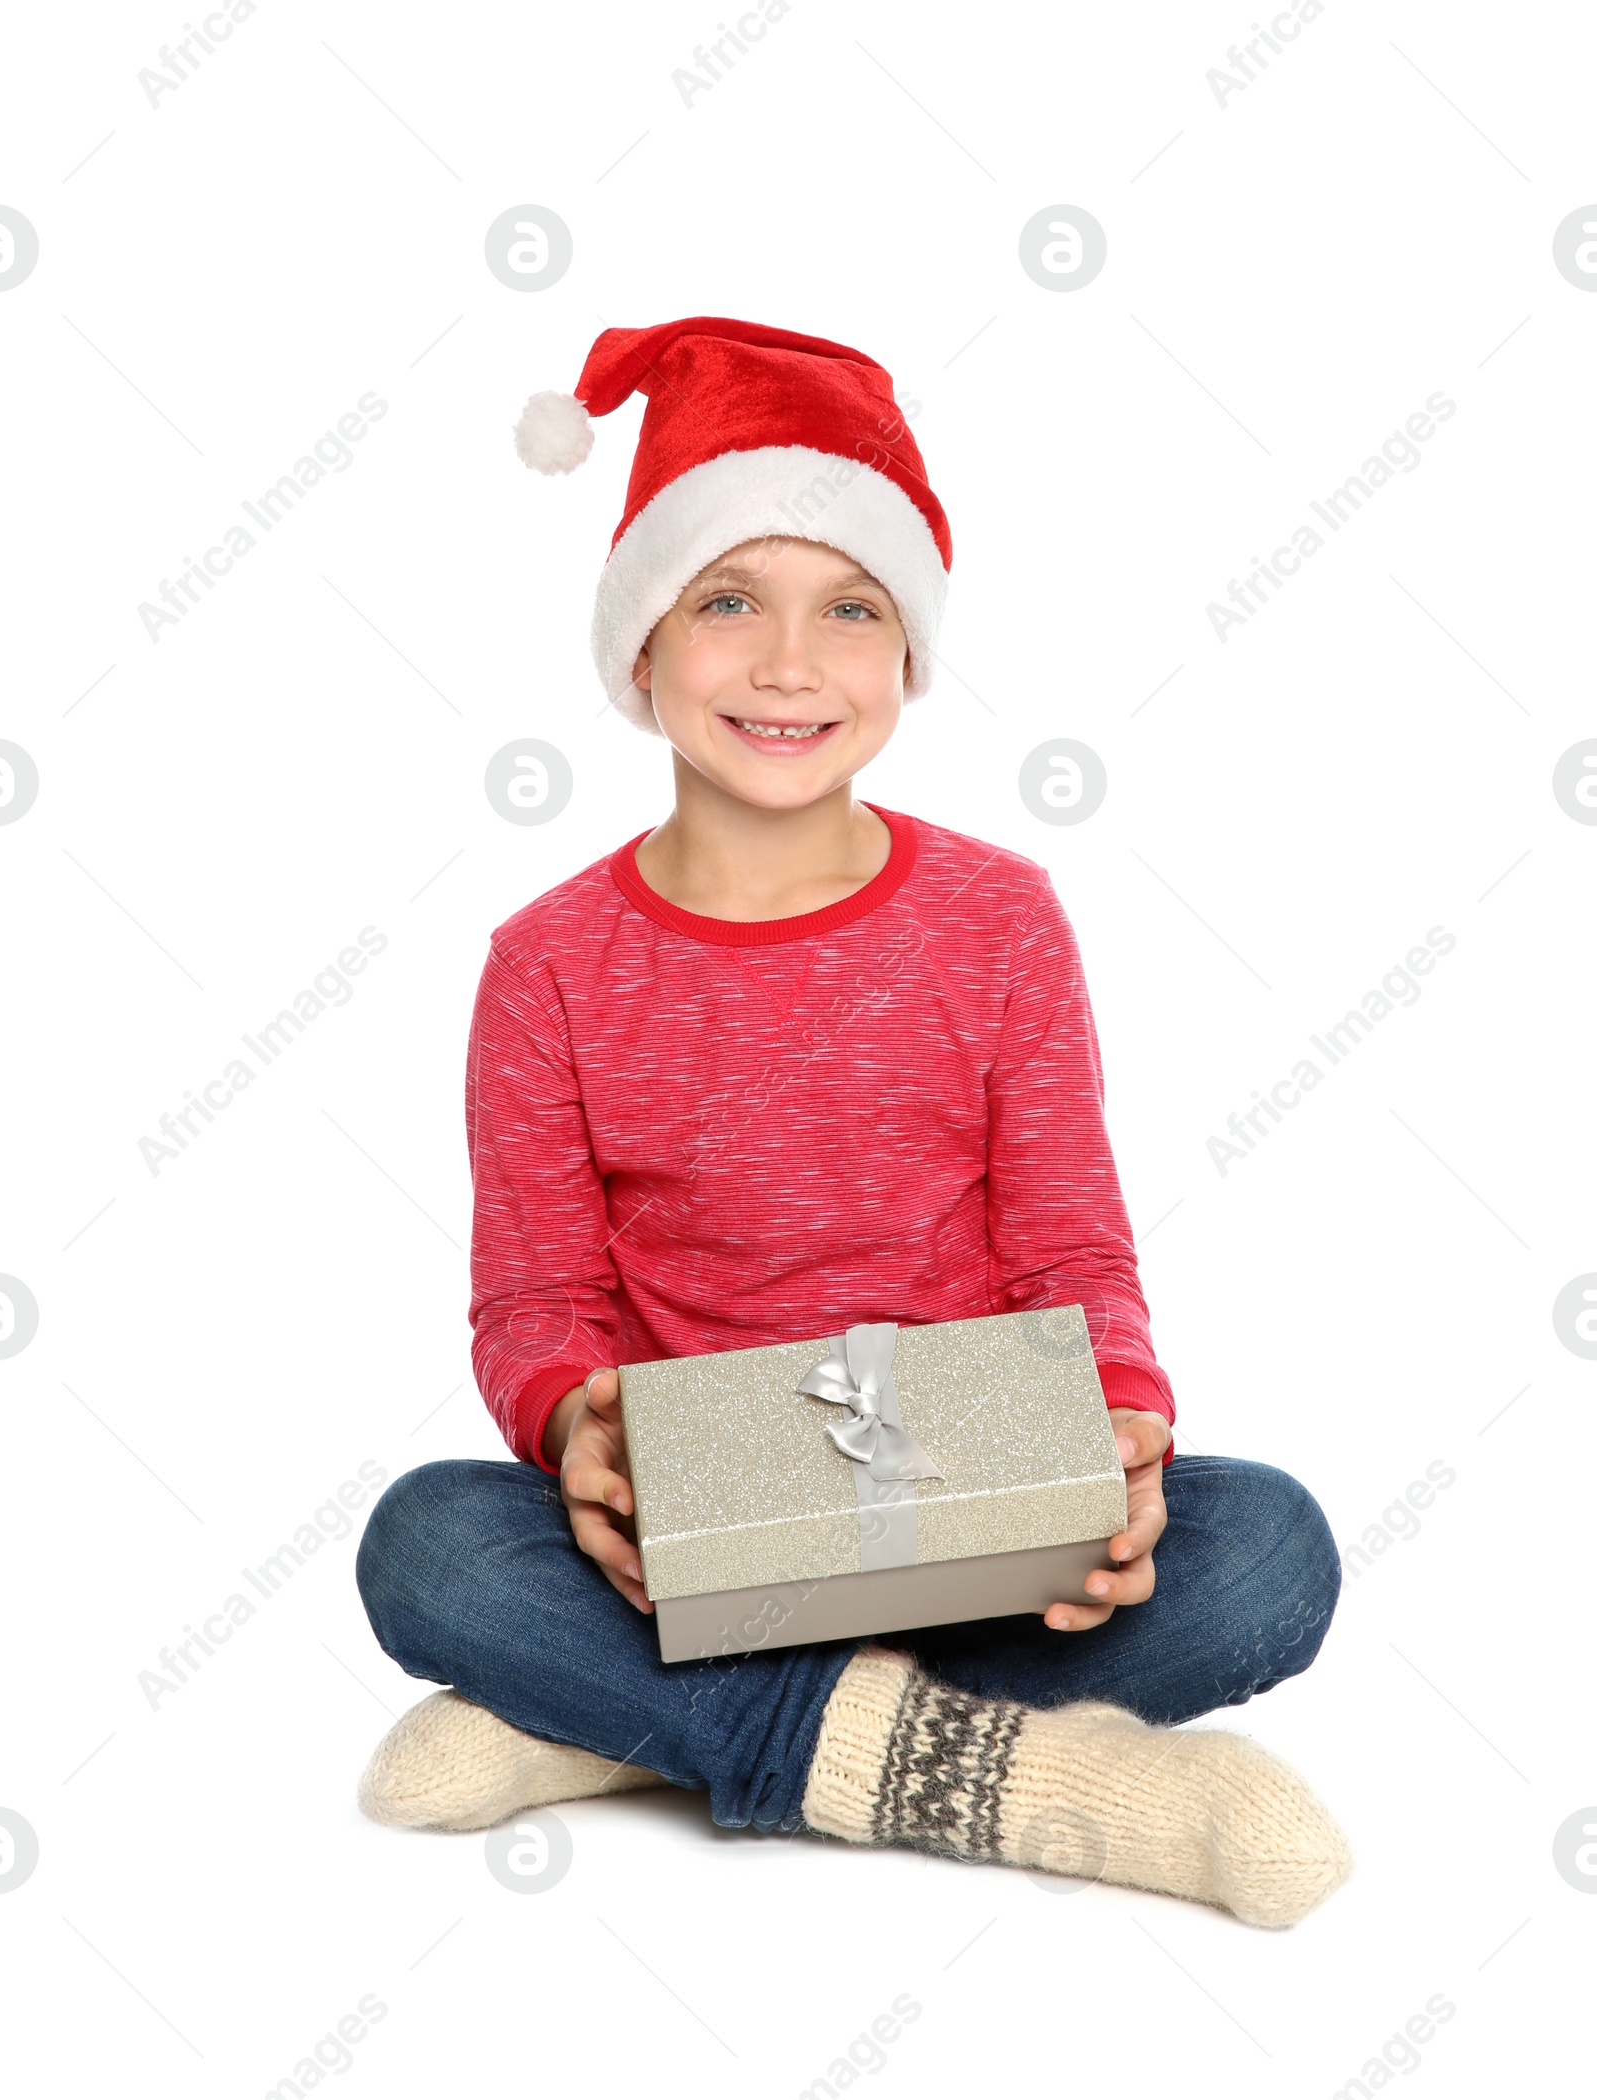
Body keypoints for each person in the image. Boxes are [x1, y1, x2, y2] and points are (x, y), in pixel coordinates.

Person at [353, 317, 1352, 1930]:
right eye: (728, 601)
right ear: (644, 647)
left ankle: (633, 1733)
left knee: (1270, 1553)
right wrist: (571, 1429)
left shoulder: (1001, 920)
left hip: (970, 1489)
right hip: (691, 1527)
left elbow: (1070, 1244)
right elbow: (537, 1300)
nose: (788, 665)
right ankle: (1031, 1783)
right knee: (430, 1544)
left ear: (906, 656)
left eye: (850, 611)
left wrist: (1125, 1427)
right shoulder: (546, 965)